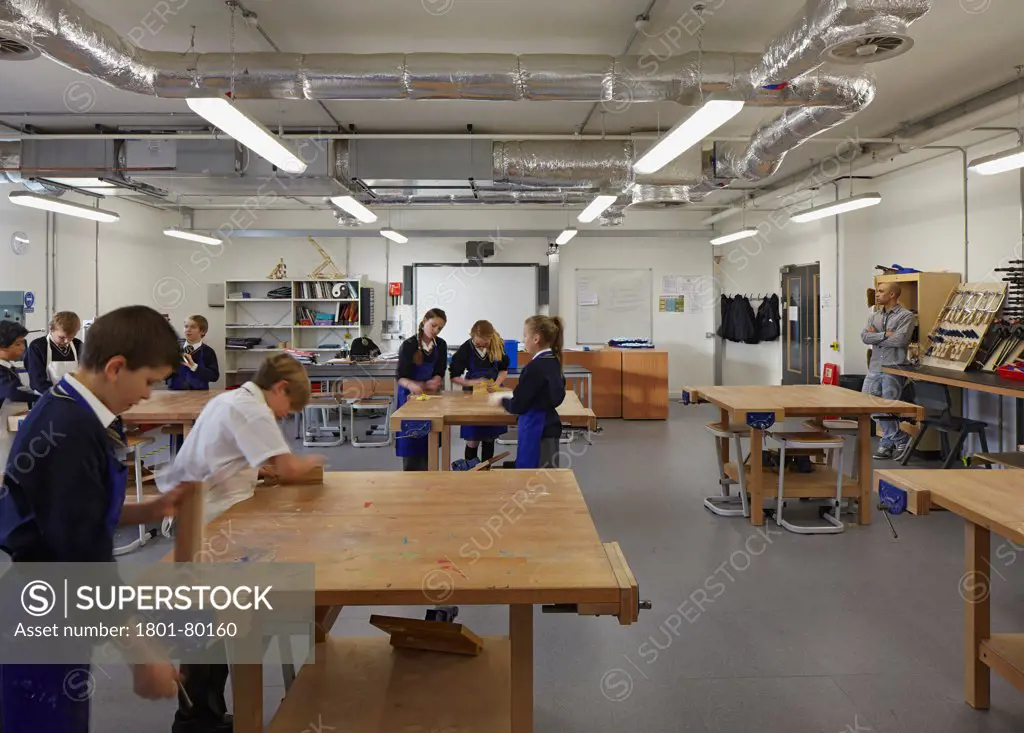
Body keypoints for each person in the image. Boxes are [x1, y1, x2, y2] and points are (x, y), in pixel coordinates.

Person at [0, 305, 191, 733]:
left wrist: (148, 509)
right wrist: (142, 653)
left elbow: (74, 507)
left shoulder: (81, 412)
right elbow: (80, 557)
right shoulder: (68, 429)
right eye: (148, 382)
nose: (147, 395)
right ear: (116, 367)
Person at [156, 352, 325, 733]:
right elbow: (290, 469)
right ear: (279, 388)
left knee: (212, 622)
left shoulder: (230, 399)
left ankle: (204, 714)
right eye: (289, 408)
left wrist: (256, 467)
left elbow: (236, 456)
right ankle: (197, 720)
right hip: (207, 523)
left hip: (203, 512)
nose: (285, 416)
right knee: (215, 622)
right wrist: (317, 462)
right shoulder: (253, 410)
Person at [488, 316, 565, 469]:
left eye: (525, 336)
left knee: (532, 477)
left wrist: (502, 401)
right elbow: (557, 395)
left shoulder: (534, 367)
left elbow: (518, 405)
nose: (524, 340)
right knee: (545, 472)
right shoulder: (554, 360)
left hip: (536, 428)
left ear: (536, 338)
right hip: (548, 424)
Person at [861, 282, 915, 460]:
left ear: (892, 295)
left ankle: (886, 442)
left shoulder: (906, 316)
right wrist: (885, 335)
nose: (877, 294)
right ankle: (900, 437)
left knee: (887, 407)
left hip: (894, 368)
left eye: (881, 291)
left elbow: (900, 340)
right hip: (875, 367)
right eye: (877, 291)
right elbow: (864, 337)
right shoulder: (874, 316)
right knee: (866, 405)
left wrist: (875, 337)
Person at [449, 320, 510, 465]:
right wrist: (471, 383)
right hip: (472, 396)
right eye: (478, 344)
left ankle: (486, 471)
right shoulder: (466, 348)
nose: (482, 346)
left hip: (491, 395)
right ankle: (470, 468)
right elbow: (455, 377)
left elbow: (503, 370)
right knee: (473, 437)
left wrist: (496, 383)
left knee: (490, 436)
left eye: (485, 343)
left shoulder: (498, 344)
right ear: (472, 337)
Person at [394, 309, 448, 471]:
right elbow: (400, 377)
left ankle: (428, 483)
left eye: (440, 328)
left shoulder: (442, 345)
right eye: (434, 325)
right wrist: (414, 385)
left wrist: (437, 379)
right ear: (424, 321)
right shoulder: (409, 345)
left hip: (430, 399)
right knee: (412, 444)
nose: (436, 331)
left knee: (428, 442)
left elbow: (440, 371)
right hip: (410, 399)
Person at [0, 320, 40, 475]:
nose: (23, 348)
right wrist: (45, 399)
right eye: (18, 344)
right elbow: (13, 393)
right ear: (3, 345)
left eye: (23, 343)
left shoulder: (8, 368)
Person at [25, 310, 83, 394]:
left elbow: (85, 375)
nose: (67, 341)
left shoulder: (78, 345)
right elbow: (37, 382)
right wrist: (60, 395)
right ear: (51, 329)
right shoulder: (38, 346)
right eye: (62, 337)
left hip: (74, 397)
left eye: (71, 337)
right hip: (47, 398)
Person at [167, 315, 220, 391]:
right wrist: (170, 369)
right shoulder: (174, 348)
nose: (188, 330)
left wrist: (194, 367)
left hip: (199, 395)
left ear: (202, 331)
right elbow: (162, 376)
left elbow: (214, 376)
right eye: (186, 326)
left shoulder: (208, 352)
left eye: (193, 327)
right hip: (174, 394)